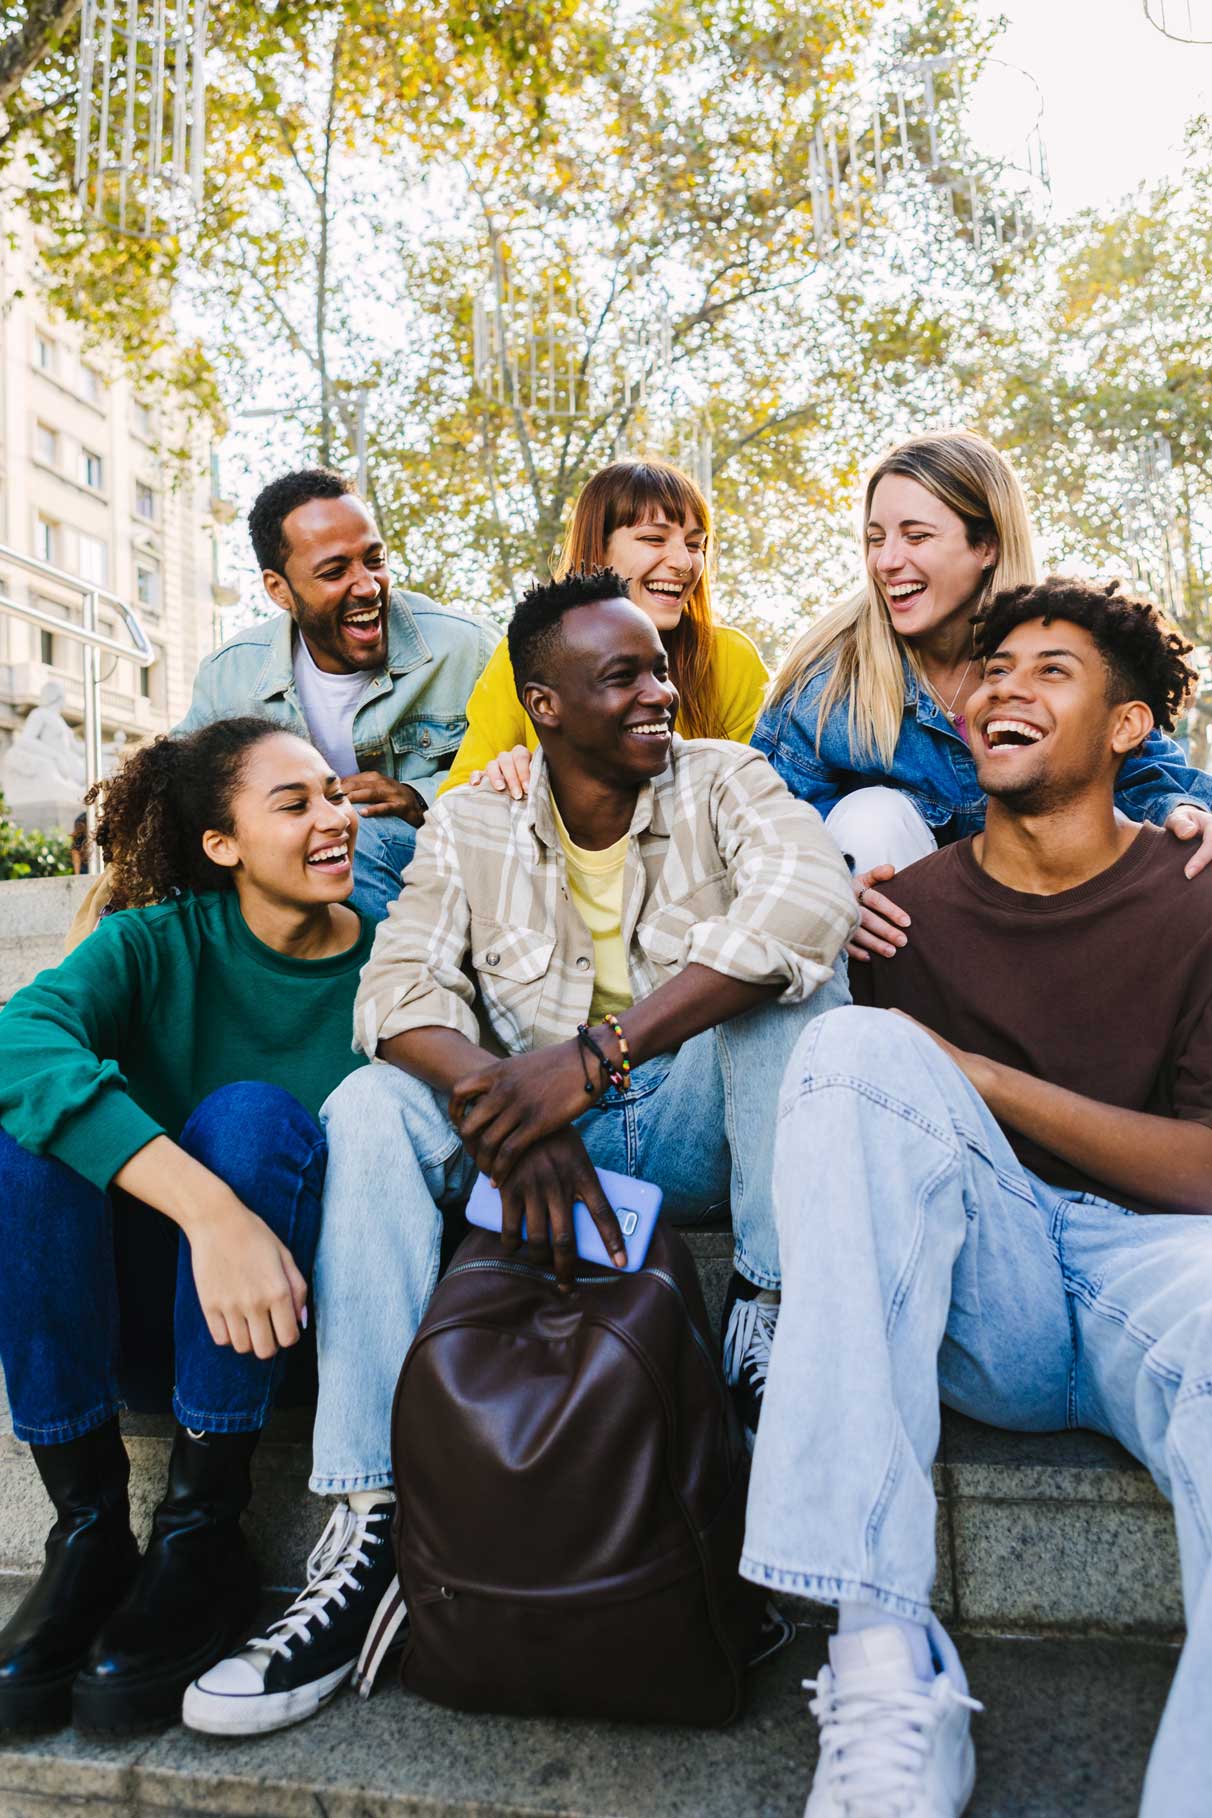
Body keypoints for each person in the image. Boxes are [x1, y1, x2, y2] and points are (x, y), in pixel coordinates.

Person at [184, 568, 856, 1737]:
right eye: (623, 676)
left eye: (660, 666)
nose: (659, 692)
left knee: (795, 998)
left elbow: (807, 903)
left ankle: (764, 1315)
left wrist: (591, 1061)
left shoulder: (726, 777)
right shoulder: (474, 820)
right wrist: (513, 1109)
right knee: (371, 1108)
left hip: (692, 1123)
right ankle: (369, 1522)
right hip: (541, 1128)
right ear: (542, 704)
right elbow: (395, 991)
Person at [742, 578, 1212, 1818]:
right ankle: (883, 1653)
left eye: (1051, 670)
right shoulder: (903, 918)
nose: (1004, 685)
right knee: (842, 1051)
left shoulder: (1195, 893)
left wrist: (987, 1079)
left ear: (1127, 729)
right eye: (992, 667)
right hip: (977, 1290)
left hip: (1155, 1271)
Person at [0, 718, 374, 1735]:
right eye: (293, 804)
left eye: (335, 795)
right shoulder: (154, 945)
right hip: (135, 1332)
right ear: (222, 845)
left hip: (290, 1338)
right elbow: (13, 1046)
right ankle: (86, 1530)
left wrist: (246, 1206)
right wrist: (210, 1211)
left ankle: (203, 1530)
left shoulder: (396, 959)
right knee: (26, 1135)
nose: (334, 818)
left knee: (250, 1118)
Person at [753, 429, 1212, 965]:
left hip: (1043, 916)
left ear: (987, 546)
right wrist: (826, 892)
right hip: (897, 946)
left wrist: (1184, 808)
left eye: (916, 536)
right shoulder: (830, 683)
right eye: (876, 538)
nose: (886, 561)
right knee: (871, 815)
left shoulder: (1059, 644)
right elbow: (763, 825)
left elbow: (1138, 765)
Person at [66, 468, 495, 945]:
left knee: (354, 834)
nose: (369, 586)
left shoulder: (468, 647)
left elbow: (535, 774)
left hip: (427, 854)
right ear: (278, 589)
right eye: (335, 572)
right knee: (130, 894)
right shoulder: (231, 675)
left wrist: (421, 796)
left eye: (374, 560)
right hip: (283, 873)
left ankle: (383, 1004)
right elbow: (179, 795)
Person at [441, 457, 768, 798]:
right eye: (654, 538)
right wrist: (499, 779)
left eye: (694, 544)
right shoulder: (526, 652)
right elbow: (456, 799)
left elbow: (757, 798)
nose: (684, 563)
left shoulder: (730, 658)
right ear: (600, 548)